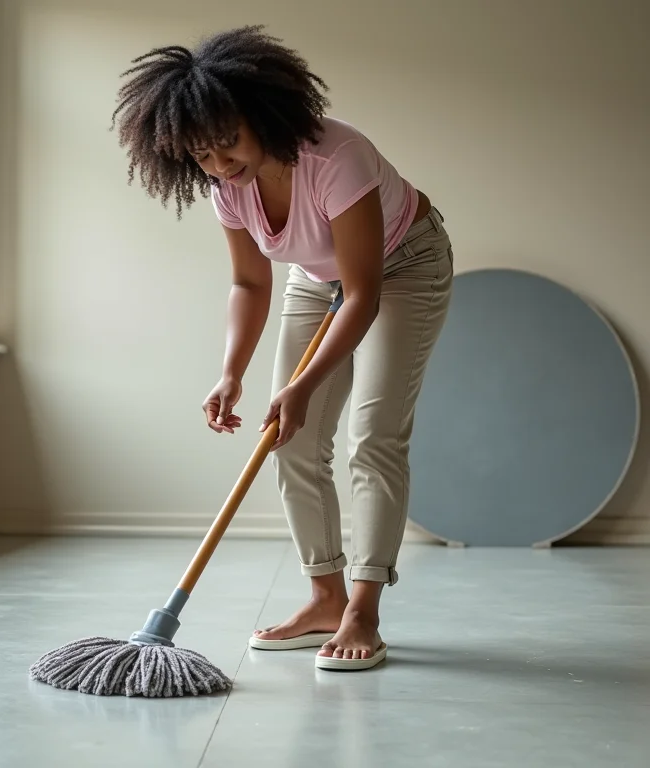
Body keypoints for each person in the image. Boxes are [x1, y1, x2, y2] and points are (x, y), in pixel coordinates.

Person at [112, 25, 453, 671]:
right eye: (200, 156)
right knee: (287, 434)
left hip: (401, 266)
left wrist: (301, 386)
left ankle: (363, 609)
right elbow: (248, 280)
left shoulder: (335, 158)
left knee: (375, 435)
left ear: (260, 113)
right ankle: (324, 595)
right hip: (315, 274)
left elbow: (363, 296)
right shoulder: (224, 185)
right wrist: (231, 374)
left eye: (227, 143)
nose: (218, 164)